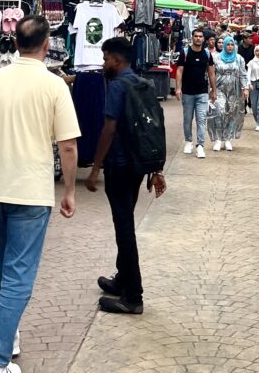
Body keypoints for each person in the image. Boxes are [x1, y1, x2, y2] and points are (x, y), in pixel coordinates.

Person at [0, 15, 81, 373]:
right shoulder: (54, 86)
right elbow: (68, 146)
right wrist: (70, 191)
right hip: (30, 191)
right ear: (47, 46)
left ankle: (8, 335)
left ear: (14, 42)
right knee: (18, 274)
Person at [86, 38, 167, 315]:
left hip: (119, 165)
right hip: (137, 165)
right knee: (125, 220)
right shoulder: (143, 83)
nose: (104, 63)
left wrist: (96, 167)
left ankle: (133, 296)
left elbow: (109, 128)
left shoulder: (118, 86)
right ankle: (122, 279)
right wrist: (156, 168)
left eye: (106, 58)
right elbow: (155, 127)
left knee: (124, 229)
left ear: (117, 60)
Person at [174, 27, 216, 159]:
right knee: (187, 119)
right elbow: (179, 71)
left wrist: (214, 90)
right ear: (192, 38)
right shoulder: (185, 52)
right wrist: (178, 88)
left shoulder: (207, 54)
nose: (198, 38)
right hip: (187, 92)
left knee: (201, 119)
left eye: (200, 36)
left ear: (204, 39)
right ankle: (188, 141)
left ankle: (200, 145)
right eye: (196, 36)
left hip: (202, 92)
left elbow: (211, 72)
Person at [207, 37, 248, 151]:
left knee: (231, 113)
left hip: (235, 90)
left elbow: (243, 74)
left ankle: (228, 139)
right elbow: (211, 74)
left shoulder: (239, 59)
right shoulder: (216, 58)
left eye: (232, 44)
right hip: (219, 88)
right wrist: (211, 89)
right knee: (219, 112)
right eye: (228, 44)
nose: (230, 46)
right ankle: (218, 139)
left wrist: (245, 88)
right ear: (224, 46)